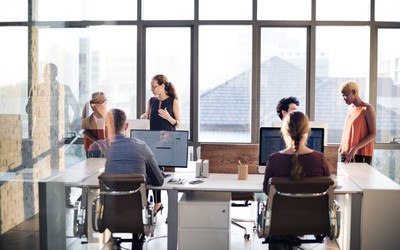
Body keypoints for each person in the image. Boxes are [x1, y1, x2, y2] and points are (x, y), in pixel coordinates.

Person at [26, 63, 80, 208]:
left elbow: (76, 106)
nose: (47, 75)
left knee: (61, 166)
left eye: (50, 73)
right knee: (41, 166)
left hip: (59, 133)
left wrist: (71, 124)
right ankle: (42, 200)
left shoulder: (65, 89)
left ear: (56, 74)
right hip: (41, 133)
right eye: (45, 72)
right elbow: (29, 109)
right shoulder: (37, 89)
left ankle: (65, 198)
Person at [141, 74, 181, 218]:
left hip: (168, 144)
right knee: (153, 173)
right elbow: (148, 117)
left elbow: (178, 123)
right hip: (151, 143)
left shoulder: (173, 101)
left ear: (163, 86)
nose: (152, 89)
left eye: (154, 86)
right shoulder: (151, 101)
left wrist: (167, 117)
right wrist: (144, 117)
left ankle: (172, 213)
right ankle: (157, 203)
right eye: (151, 87)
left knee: (169, 178)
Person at [263, 111, 331, 194]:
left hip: (283, 207)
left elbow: (266, 191)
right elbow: (328, 187)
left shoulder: (273, 160)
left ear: (284, 132)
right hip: (313, 206)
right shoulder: (320, 159)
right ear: (307, 131)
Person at [338, 80, 376, 165]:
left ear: (353, 92)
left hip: (360, 154)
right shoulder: (350, 109)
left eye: (346, 95)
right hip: (346, 153)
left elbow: (373, 134)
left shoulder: (367, 108)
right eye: (342, 96)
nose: (344, 98)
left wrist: (354, 149)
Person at [81, 92, 108, 158]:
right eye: (101, 102)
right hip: (93, 150)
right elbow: (85, 131)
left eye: (105, 102)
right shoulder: (87, 120)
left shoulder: (107, 118)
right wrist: (100, 144)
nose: (104, 105)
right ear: (93, 104)